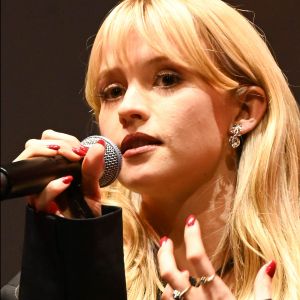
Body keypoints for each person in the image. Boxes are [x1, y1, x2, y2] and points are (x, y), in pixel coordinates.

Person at [1, 0, 299, 299]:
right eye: (113, 91)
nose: (128, 108)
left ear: (245, 110)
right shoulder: (72, 270)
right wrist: (69, 262)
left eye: (167, 79)